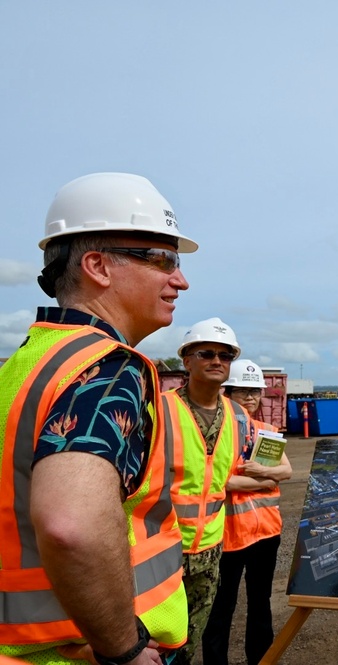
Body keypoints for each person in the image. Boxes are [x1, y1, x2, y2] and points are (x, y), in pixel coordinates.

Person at [0, 173, 196, 665]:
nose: (180, 279)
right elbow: (73, 526)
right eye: (163, 259)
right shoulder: (107, 369)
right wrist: (123, 649)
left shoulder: (26, 364)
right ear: (97, 266)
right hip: (81, 651)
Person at [162, 318, 250, 665]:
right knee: (152, 642)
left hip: (211, 552)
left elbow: (232, 474)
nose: (217, 361)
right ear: (186, 360)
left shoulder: (238, 416)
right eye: (207, 353)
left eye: (225, 356)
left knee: (188, 643)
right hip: (161, 549)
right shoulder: (160, 407)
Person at [203, 359, 292, 665]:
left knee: (260, 603)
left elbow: (287, 471)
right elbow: (220, 480)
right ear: (228, 393)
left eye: (255, 392)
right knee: (221, 607)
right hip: (230, 534)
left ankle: (261, 660)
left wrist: (256, 476)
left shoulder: (267, 430)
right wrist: (264, 480)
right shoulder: (217, 433)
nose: (251, 398)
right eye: (244, 392)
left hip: (267, 532)